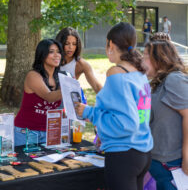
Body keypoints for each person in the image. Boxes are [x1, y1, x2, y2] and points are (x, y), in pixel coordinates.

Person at [75, 22, 153, 190]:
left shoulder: (116, 72)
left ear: (110, 44)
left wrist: (89, 112)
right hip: (143, 152)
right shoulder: (139, 71)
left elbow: (126, 123)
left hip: (124, 154)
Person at [143, 38, 188, 189]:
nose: (141, 60)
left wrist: (187, 155)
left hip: (174, 167)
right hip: (158, 165)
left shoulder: (174, 79)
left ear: (158, 59)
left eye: (145, 55)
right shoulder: (156, 83)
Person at [14, 39, 63, 146]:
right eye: (51, 52)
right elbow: (49, 97)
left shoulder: (61, 77)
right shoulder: (33, 76)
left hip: (49, 131)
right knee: (25, 162)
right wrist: (69, 88)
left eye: (58, 51)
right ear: (42, 55)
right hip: (26, 132)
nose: (56, 55)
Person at [55, 27, 102, 93]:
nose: (70, 47)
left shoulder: (81, 64)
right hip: (50, 100)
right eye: (67, 43)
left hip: (71, 101)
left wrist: (110, 102)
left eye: (74, 44)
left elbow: (96, 86)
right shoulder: (51, 60)